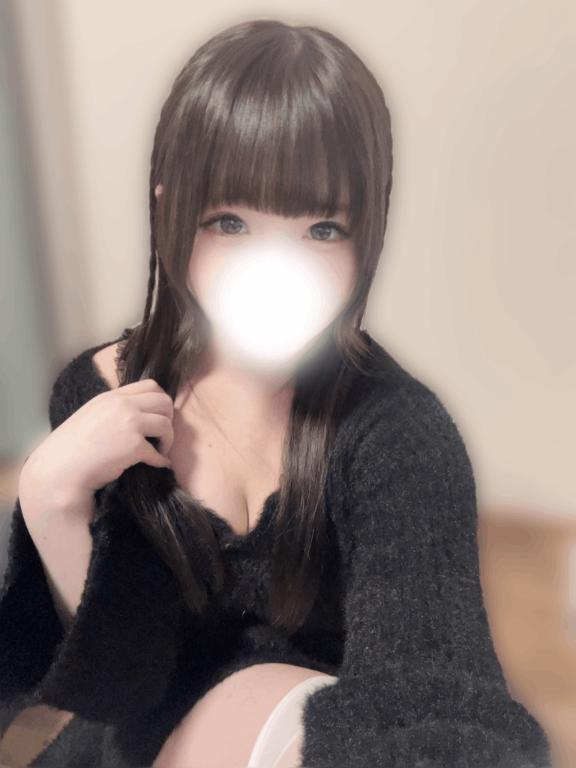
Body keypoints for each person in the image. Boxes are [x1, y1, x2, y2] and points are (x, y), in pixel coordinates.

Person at [0, 18, 552, 768]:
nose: (276, 269)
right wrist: (50, 497)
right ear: (169, 208)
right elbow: (124, 686)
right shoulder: (102, 392)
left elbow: (430, 699)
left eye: (322, 229)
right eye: (230, 221)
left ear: (368, 229)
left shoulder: (400, 434)